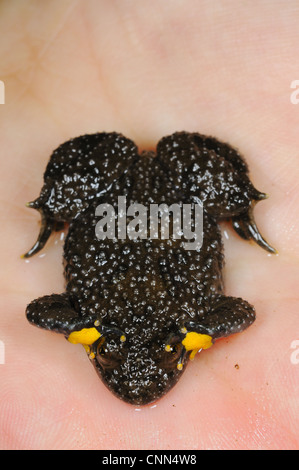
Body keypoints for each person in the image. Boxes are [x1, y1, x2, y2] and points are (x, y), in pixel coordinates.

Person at [0, 0, 298, 450]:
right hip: (151, 194)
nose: (138, 386)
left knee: (181, 172)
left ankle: (240, 202)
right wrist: (189, 332)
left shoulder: (122, 317)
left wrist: (93, 327)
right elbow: (244, 311)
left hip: (140, 192)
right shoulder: (185, 317)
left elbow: (37, 310)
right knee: (167, 171)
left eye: (109, 358)